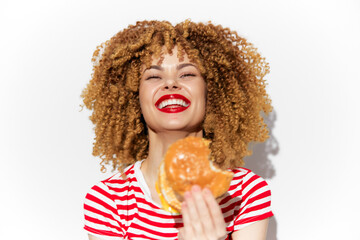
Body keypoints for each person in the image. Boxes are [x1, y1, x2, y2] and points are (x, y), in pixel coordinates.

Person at [81, 20, 273, 240]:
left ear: (212, 92)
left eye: (187, 74)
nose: (170, 83)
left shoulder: (245, 191)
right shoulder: (109, 199)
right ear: (134, 98)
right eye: (154, 76)